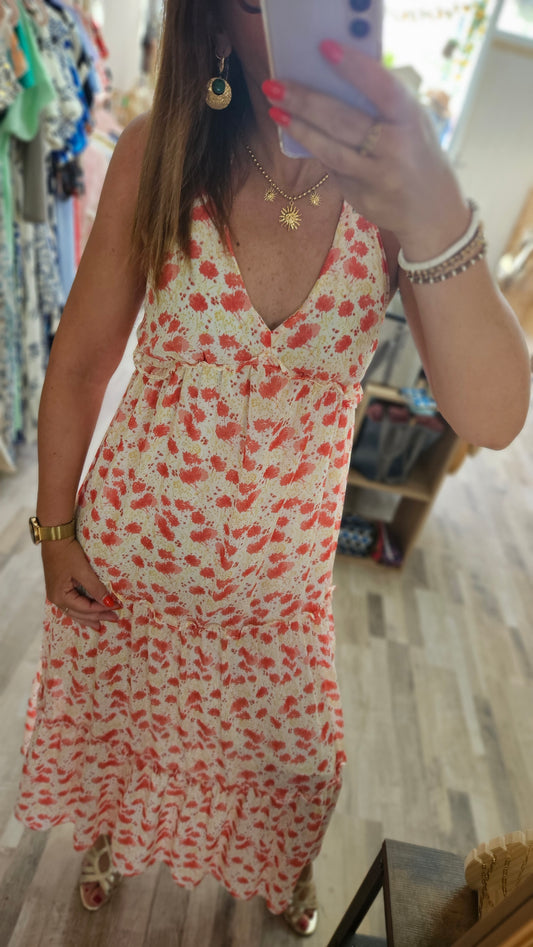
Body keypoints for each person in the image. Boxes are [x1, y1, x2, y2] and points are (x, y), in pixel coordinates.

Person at [15, 0, 531, 938]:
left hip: (278, 584)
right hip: (134, 562)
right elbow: (82, 361)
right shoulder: (159, 153)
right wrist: (53, 531)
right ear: (215, 23)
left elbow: (492, 418)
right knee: (127, 733)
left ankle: (284, 869)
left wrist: (430, 200)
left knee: (298, 766)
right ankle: (114, 837)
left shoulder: (394, 187)